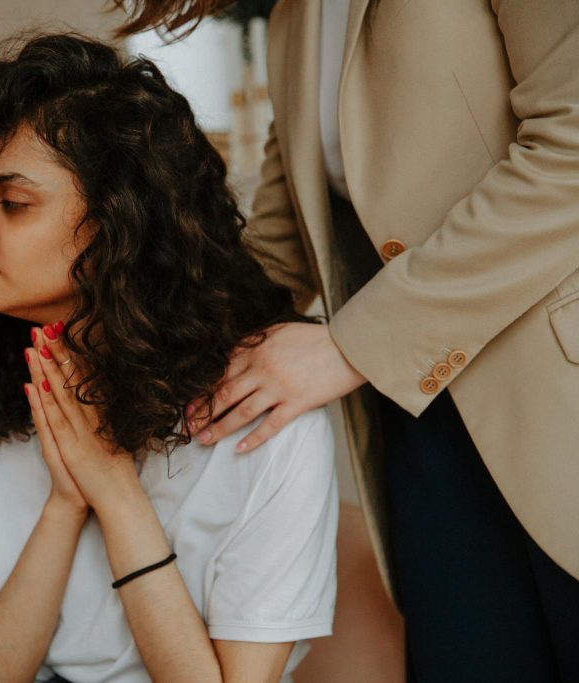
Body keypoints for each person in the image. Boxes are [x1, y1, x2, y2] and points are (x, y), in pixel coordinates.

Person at [112, 1, 579, 680]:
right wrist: (97, 348)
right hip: (419, 424)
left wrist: (348, 345)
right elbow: (280, 237)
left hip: (555, 400)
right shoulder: (293, 18)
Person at [0, 32, 339, 683]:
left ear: (120, 220)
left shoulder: (265, 420)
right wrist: (65, 503)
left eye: (14, 202)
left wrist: (115, 491)